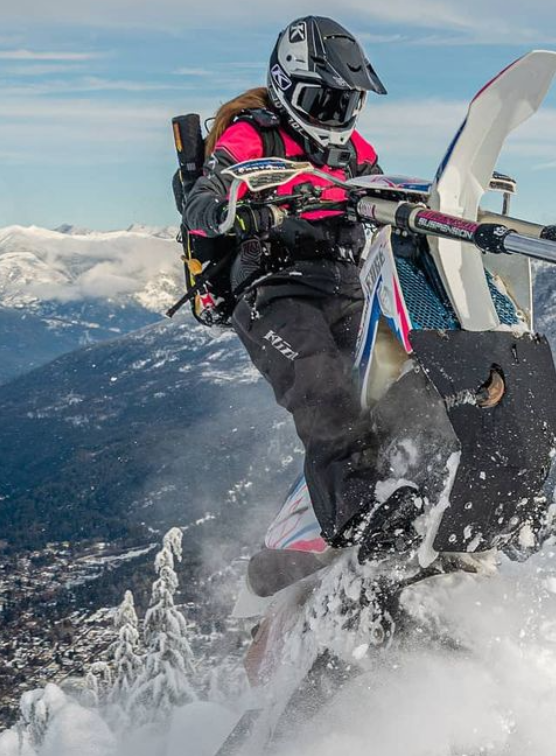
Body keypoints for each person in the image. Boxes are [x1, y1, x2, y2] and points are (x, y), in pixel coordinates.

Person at [183, 16, 418, 556]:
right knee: (321, 382)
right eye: (321, 101)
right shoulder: (252, 135)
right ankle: (359, 516)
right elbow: (204, 198)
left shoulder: (355, 150)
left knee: (399, 374)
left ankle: (426, 475)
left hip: (347, 284)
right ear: (288, 87)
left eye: (344, 104)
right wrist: (237, 213)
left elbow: (381, 195)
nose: (333, 117)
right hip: (274, 289)